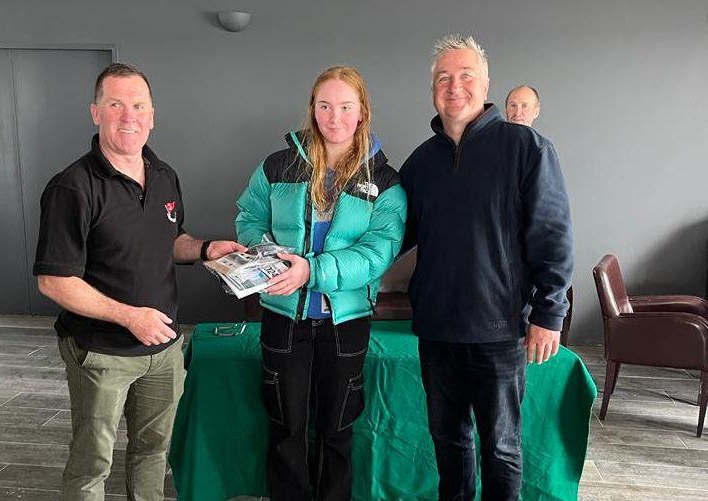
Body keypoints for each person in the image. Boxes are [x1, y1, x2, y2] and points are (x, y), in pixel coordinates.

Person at [33, 62, 244, 500]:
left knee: (153, 451)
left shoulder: (164, 174)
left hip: (163, 347)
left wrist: (206, 249)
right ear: (96, 112)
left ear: (152, 114)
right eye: (116, 104)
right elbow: (54, 281)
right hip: (101, 352)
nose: (129, 116)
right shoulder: (72, 187)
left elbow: (168, 240)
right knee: (93, 462)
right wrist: (130, 317)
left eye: (138, 105)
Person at [400, 35, 573, 500]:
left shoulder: (527, 148)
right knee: (448, 442)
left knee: (501, 448)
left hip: (499, 332)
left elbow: (553, 237)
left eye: (465, 76)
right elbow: (391, 234)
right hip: (437, 331)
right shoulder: (420, 164)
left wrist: (548, 314)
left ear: (486, 84)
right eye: (443, 79)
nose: (453, 87)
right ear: (433, 89)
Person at [235, 66, 406, 501]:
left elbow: (376, 254)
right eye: (325, 105)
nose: (334, 117)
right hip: (283, 319)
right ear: (312, 109)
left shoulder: (385, 181)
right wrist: (268, 255)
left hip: (345, 325)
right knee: (285, 427)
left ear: (362, 112)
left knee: (337, 430)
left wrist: (310, 271)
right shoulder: (277, 166)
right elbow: (249, 219)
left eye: (346, 106)